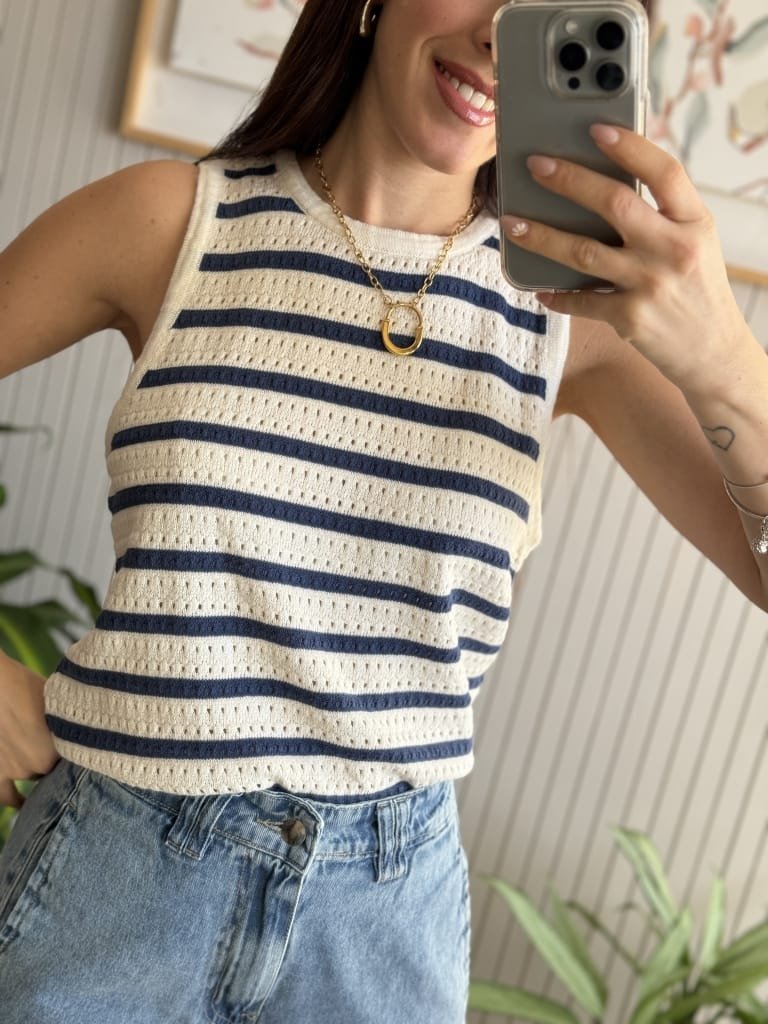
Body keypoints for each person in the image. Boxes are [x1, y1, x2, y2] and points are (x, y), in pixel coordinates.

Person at [0, 0, 766, 1021]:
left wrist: (723, 357)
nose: (497, 34)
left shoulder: (575, 320)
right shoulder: (171, 221)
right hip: (113, 891)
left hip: (382, 931)